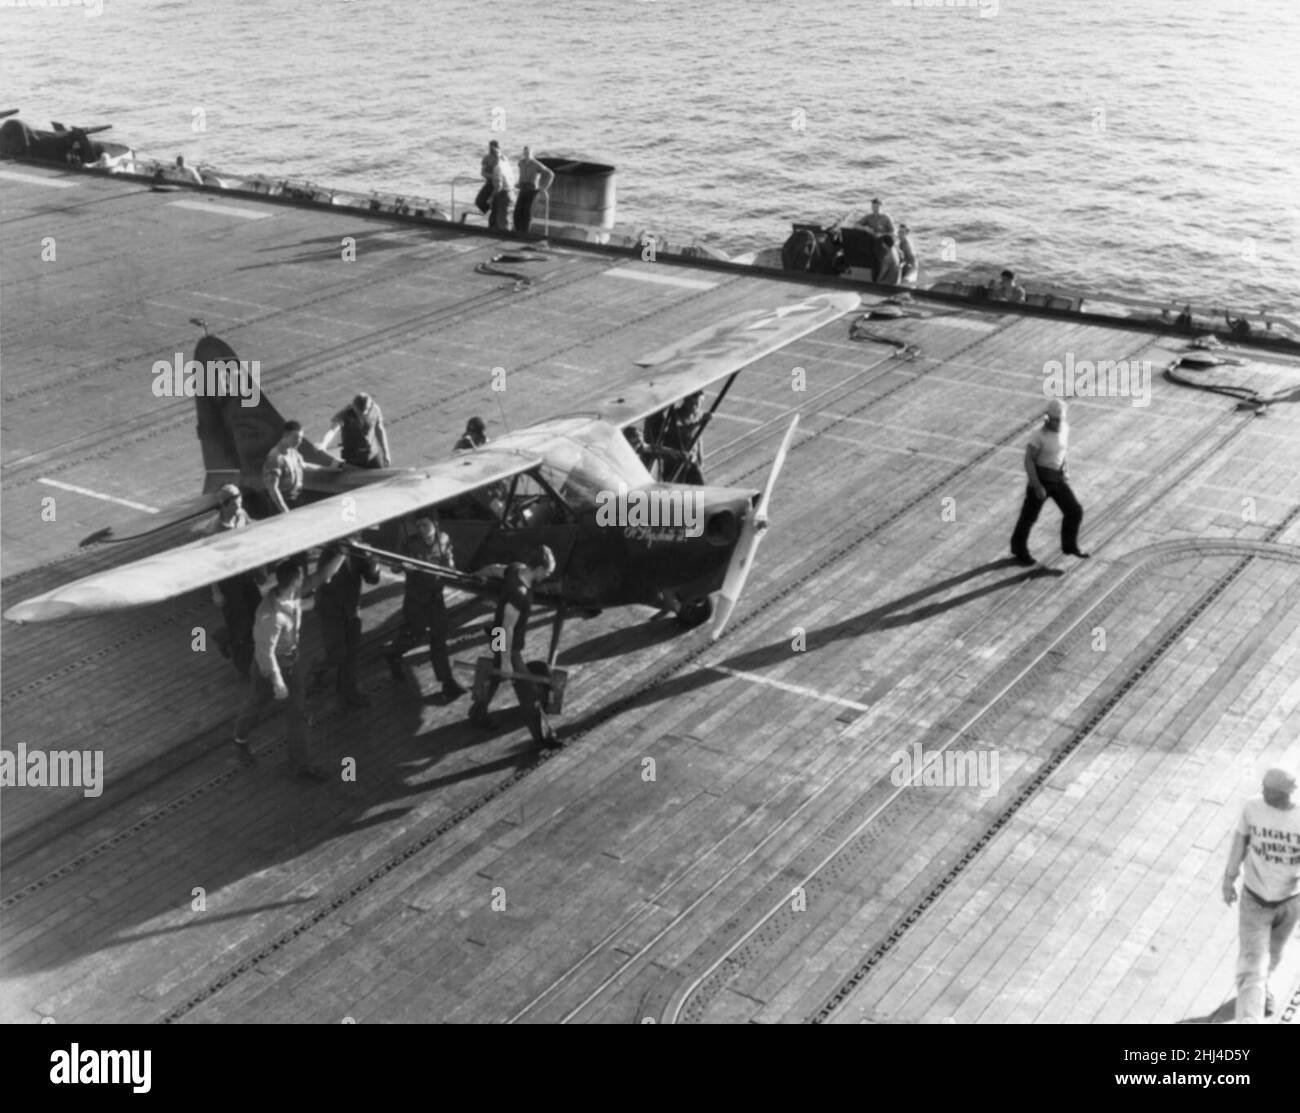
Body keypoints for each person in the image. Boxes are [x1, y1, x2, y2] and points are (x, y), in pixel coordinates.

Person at [232, 550, 347, 781]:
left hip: (291, 663)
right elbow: (265, 653)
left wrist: (342, 552)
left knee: (298, 714)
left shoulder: (292, 593)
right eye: (302, 575)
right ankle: (240, 738)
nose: (305, 578)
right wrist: (277, 681)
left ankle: (301, 765)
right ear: (294, 580)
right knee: (257, 703)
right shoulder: (269, 615)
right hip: (269, 668)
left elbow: (322, 576)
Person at [1223, 768, 1300, 1021]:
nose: (1263, 792)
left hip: (1289, 900)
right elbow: (1240, 841)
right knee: (1251, 964)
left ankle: (1262, 989)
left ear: (1286, 794)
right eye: (1263, 787)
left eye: (1270, 790)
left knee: (1274, 954)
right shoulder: (1252, 807)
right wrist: (1229, 877)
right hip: (1255, 898)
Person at [468, 545, 559, 747]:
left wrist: (475, 576)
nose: (549, 575)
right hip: (505, 641)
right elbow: (507, 628)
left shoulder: (516, 569)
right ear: (538, 569)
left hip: (497, 633)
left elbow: (492, 569)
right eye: (548, 571)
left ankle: (477, 714)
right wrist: (507, 660)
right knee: (527, 691)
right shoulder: (519, 593)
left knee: (494, 676)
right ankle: (543, 738)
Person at [383, 513, 466, 702]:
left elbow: (448, 561)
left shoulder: (443, 539)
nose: (421, 529)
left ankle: (447, 681)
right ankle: (392, 653)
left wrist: (450, 565)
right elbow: (395, 567)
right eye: (418, 525)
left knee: (439, 638)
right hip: (415, 600)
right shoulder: (409, 543)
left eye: (425, 524)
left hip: (436, 599)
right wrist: (403, 566)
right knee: (415, 635)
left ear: (434, 523)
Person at [1009, 399, 1089, 565]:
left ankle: (1069, 546)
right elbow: (1029, 460)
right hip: (1041, 479)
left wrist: (1065, 468)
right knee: (1029, 517)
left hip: (1057, 479)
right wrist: (1036, 485)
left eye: (1060, 420)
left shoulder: (1065, 429)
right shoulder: (1039, 436)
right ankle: (1018, 548)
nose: (1058, 423)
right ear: (1047, 418)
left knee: (1074, 511)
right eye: (1055, 420)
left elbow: (1062, 451)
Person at [311, 540, 380, 708]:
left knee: (351, 655)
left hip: (351, 609)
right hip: (330, 611)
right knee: (338, 653)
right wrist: (341, 554)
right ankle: (317, 670)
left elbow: (372, 579)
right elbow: (324, 577)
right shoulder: (329, 551)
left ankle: (348, 694)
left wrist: (374, 565)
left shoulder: (359, 551)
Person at [205, 485, 262, 679]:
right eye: (236, 505)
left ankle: (223, 635)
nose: (239, 507)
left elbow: (251, 527)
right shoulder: (214, 530)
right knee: (240, 625)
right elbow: (210, 563)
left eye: (240, 503)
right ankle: (243, 667)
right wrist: (216, 592)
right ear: (225, 505)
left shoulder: (241, 514)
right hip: (228, 581)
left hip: (245, 573)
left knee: (257, 614)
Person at [262, 420, 345, 514]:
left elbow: (303, 465)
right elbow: (273, 489)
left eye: (301, 438)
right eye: (296, 438)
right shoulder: (275, 458)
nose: (299, 442)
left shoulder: (292, 450)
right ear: (285, 435)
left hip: (296, 498)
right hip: (283, 504)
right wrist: (285, 512)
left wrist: (328, 469)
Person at [320, 392, 392, 468]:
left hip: (372, 454)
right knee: (354, 475)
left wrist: (386, 453)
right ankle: (340, 465)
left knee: (379, 475)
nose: (361, 415)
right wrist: (324, 443)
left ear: (370, 406)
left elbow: (380, 429)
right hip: (353, 456)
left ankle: (338, 465)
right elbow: (333, 429)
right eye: (359, 413)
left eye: (364, 412)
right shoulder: (346, 413)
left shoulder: (375, 409)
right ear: (354, 407)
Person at [514, 146, 555, 234]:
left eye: (528, 153)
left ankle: (525, 232)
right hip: (523, 188)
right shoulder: (521, 163)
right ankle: (517, 231)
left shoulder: (536, 164)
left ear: (531, 154)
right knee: (517, 211)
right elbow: (521, 175)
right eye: (525, 153)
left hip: (532, 190)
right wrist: (518, 183)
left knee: (527, 212)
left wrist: (543, 187)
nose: (526, 155)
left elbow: (550, 174)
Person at [488, 150, 518, 231]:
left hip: (503, 195)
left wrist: (491, 197)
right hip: (512, 193)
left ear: (493, 158)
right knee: (507, 219)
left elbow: (498, 186)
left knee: (502, 222)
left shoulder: (497, 168)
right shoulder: (506, 164)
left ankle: (505, 237)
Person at [475, 140, 500, 214]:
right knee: (479, 201)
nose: (493, 149)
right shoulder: (487, 158)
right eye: (491, 147)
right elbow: (483, 173)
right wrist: (493, 176)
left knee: (496, 203)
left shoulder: (501, 158)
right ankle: (488, 211)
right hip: (490, 182)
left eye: (495, 147)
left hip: (500, 183)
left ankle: (493, 212)